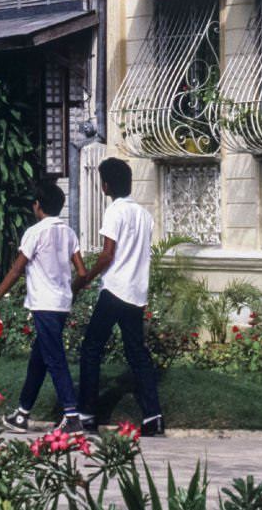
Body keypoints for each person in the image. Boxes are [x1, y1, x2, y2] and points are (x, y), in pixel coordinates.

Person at [0, 181, 86, 433]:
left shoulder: (35, 232)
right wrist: (70, 291)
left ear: (37, 206)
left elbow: (16, 269)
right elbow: (81, 271)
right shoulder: (69, 233)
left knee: (55, 358)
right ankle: (22, 413)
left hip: (44, 304)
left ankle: (71, 415)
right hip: (60, 304)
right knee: (39, 359)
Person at [74, 157, 164, 437]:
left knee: (91, 349)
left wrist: (85, 278)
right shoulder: (144, 215)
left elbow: (107, 254)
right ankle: (153, 416)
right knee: (138, 353)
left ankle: (87, 414)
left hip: (114, 290)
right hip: (136, 293)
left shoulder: (114, 211)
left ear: (106, 185)